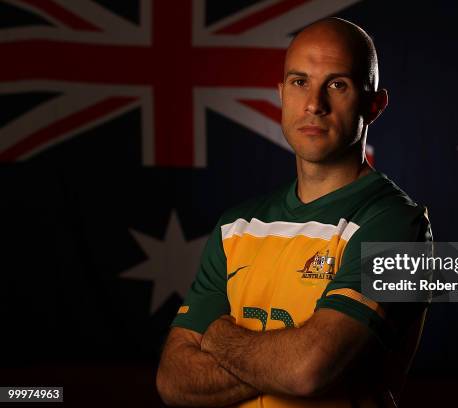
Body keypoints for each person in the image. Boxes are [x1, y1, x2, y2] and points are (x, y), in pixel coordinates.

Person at [156, 17, 432, 408]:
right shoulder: (236, 226)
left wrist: (216, 337)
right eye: (300, 82)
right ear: (281, 93)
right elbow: (174, 380)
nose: (314, 104)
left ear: (374, 105)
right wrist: (277, 360)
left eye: (338, 84)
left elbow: (307, 369)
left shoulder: (395, 224)